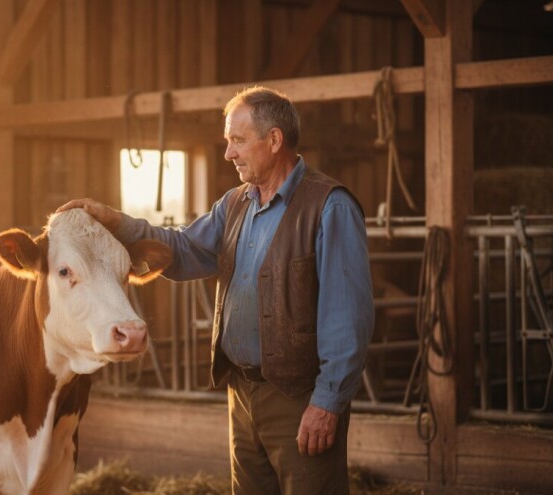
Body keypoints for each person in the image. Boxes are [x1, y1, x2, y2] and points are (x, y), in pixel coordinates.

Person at [58, 86, 373, 495]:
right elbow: (183, 250)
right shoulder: (235, 204)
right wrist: (118, 223)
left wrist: (327, 403)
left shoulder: (330, 207)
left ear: (274, 140)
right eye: (228, 141)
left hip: (299, 399)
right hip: (241, 394)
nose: (228, 153)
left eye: (238, 141)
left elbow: (347, 320)